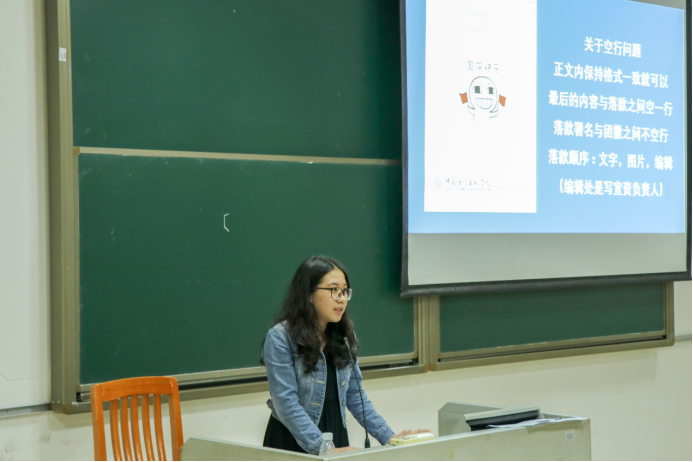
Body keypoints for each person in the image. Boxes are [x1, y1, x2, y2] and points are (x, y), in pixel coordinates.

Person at [261, 256, 428, 454]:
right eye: (333, 290)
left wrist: (389, 437)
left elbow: (355, 395)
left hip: (335, 437)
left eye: (344, 291)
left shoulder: (344, 336)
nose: (341, 298)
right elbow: (286, 404)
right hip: (293, 442)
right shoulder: (280, 337)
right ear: (309, 294)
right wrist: (324, 448)